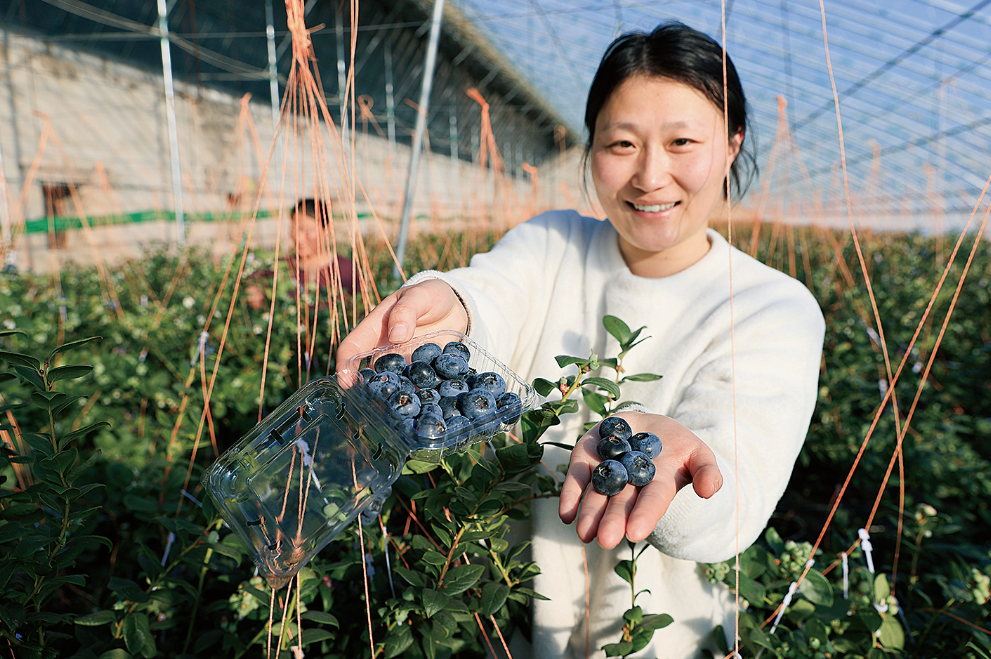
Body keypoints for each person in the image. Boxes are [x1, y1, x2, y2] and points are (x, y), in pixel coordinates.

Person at [337, 22, 824, 658]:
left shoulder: (772, 307)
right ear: (590, 146)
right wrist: (451, 308)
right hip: (505, 618)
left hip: (657, 641)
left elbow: (736, 499)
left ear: (730, 146)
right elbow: (493, 293)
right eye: (621, 143)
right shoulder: (554, 244)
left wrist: (680, 466)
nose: (650, 176)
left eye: (682, 142)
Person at [246, 197, 355, 311]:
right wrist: (253, 289)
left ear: (326, 231)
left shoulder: (346, 271)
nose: (299, 238)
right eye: (295, 230)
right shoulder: (281, 268)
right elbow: (252, 281)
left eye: (307, 231)